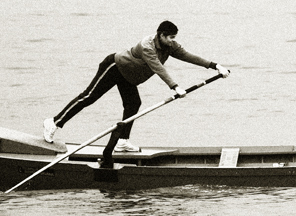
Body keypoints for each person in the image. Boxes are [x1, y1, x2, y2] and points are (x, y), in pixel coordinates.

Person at [42, 21, 230, 152]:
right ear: (161, 35)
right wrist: (175, 86)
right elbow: (156, 67)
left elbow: (188, 56)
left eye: (174, 38)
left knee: (133, 105)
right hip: (115, 67)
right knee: (89, 97)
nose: (173, 41)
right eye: (170, 37)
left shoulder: (170, 46)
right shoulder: (147, 46)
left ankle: (122, 141)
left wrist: (215, 66)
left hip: (129, 77)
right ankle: (54, 122)